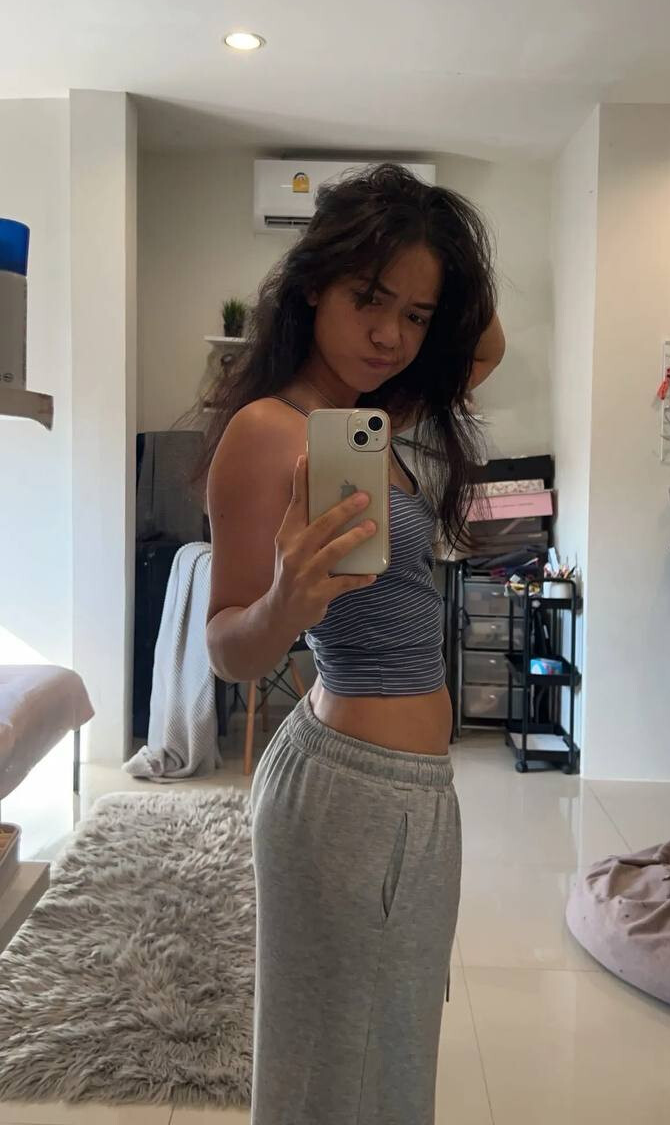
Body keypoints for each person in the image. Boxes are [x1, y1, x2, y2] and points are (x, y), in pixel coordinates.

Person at [199, 163, 504, 1124]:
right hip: (351, 792)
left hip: (406, 790)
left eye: (415, 316)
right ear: (312, 287)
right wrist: (286, 602)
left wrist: (430, 232)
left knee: (381, 1054)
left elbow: (486, 341)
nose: (390, 335)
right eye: (368, 298)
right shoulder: (270, 430)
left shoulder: (369, 422)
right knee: (339, 1069)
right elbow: (228, 650)